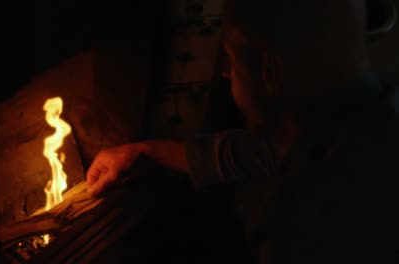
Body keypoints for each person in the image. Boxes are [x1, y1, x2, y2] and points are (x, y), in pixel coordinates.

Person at [85, 0, 399, 263]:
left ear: (269, 72)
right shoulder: (372, 119)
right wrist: (144, 151)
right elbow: (262, 152)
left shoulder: (306, 225)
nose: (225, 74)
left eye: (232, 62)